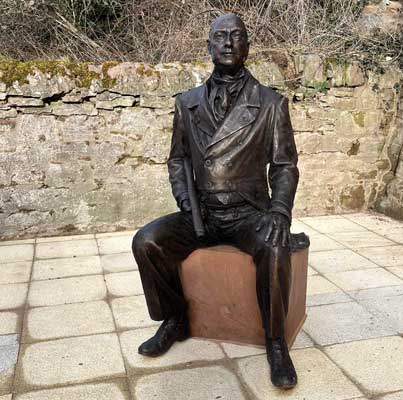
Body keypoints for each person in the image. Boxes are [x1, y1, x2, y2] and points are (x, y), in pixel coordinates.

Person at [131, 13, 299, 389]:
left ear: (247, 46)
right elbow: (177, 159)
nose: (227, 42)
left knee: (275, 245)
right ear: (208, 47)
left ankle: (275, 342)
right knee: (147, 241)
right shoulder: (186, 103)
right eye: (219, 36)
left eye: (235, 36)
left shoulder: (270, 103)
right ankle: (175, 318)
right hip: (201, 211)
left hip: (248, 213)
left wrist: (280, 211)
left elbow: (286, 165)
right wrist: (185, 201)